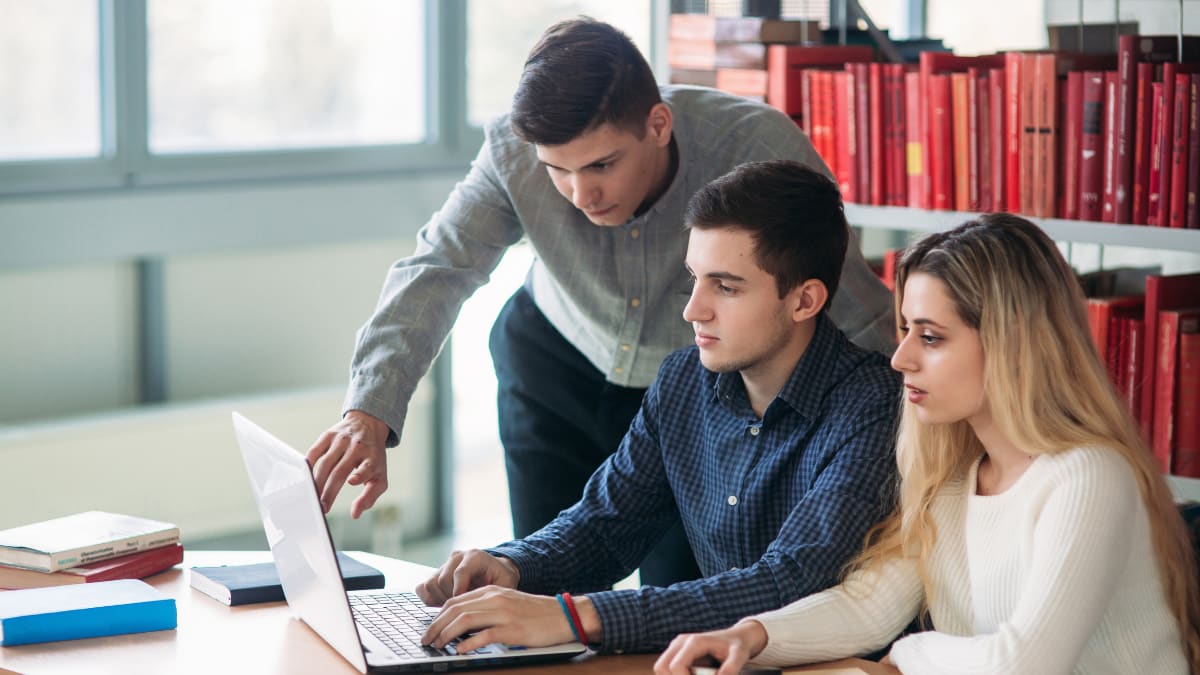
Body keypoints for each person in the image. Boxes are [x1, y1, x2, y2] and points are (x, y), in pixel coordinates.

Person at [304, 17, 895, 587]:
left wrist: (913, 426)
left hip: (689, 392)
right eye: (556, 171)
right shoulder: (512, 152)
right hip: (553, 366)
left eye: (602, 165)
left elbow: (845, 298)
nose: (580, 194)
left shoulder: (756, 146)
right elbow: (439, 267)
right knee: (534, 576)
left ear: (658, 124)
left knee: (678, 595)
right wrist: (369, 411)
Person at [655, 214, 1200, 675]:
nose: (901, 359)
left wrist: (904, 655)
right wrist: (750, 637)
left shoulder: (1088, 475)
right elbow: (868, 605)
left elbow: (1022, 664)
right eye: (905, 330)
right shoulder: (955, 480)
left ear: (1013, 346)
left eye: (931, 337)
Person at [413, 160, 901, 656]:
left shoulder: (875, 408)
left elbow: (788, 585)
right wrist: (512, 565)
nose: (693, 309)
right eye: (695, 279)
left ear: (804, 301)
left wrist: (575, 617)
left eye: (726, 287)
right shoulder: (683, 380)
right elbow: (606, 525)